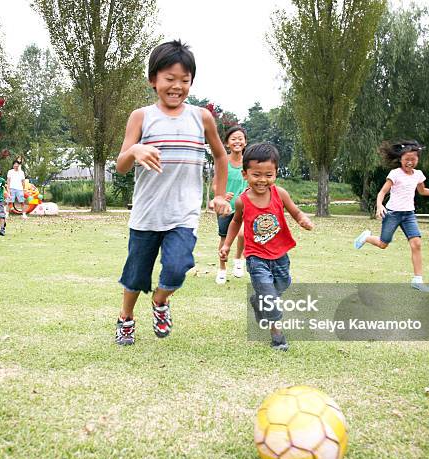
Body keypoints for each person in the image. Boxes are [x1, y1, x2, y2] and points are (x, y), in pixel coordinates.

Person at [114, 39, 231, 346]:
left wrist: (219, 194)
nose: (177, 86)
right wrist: (136, 149)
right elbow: (121, 165)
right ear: (153, 80)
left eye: (184, 80)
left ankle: (161, 301)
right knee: (136, 276)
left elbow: (220, 156)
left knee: (178, 267)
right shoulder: (141, 116)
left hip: (184, 213)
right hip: (147, 214)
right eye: (169, 79)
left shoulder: (201, 117)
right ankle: (126, 318)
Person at [219, 143, 314, 350]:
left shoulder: (280, 194)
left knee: (282, 285)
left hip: (280, 254)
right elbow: (236, 222)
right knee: (270, 297)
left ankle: (257, 299)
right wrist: (227, 244)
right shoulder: (242, 201)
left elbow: (295, 211)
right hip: (256, 256)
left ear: (276, 173)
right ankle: (277, 336)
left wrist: (303, 220)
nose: (262, 180)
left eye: (268, 175)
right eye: (256, 175)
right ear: (245, 174)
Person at [353, 140, 429, 292]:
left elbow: (422, 191)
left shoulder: (418, 175)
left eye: (413, 159)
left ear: (418, 159)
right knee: (383, 244)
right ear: (400, 159)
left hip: (409, 215)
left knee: (417, 244)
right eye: (406, 159)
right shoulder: (395, 174)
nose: (410, 162)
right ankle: (366, 237)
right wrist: (379, 206)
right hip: (393, 214)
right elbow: (382, 192)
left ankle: (418, 280)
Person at [215, 126, 248, 284]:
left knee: (242, 234)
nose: (237, 141)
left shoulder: (248, 162)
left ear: (245, 142)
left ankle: (238, 260)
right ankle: (222, 269)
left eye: (240, 138)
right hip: (225, 208)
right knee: (224, 238)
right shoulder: (223, 162)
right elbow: (215, 185)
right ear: (227, 143)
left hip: (244, 207)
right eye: (233, 139)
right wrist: (221, 195)